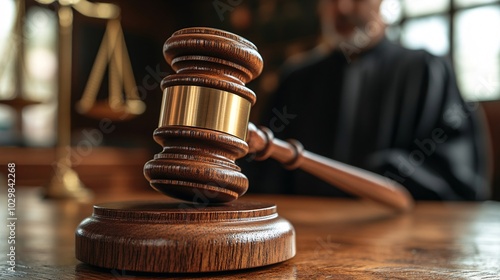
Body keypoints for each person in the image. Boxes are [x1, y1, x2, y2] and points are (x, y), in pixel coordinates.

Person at [243, 0, 491, 200]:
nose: (342, 7)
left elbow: (457, 179)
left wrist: (390, 170)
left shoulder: (427, 71)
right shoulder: (296, 80)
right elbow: (263, 174)